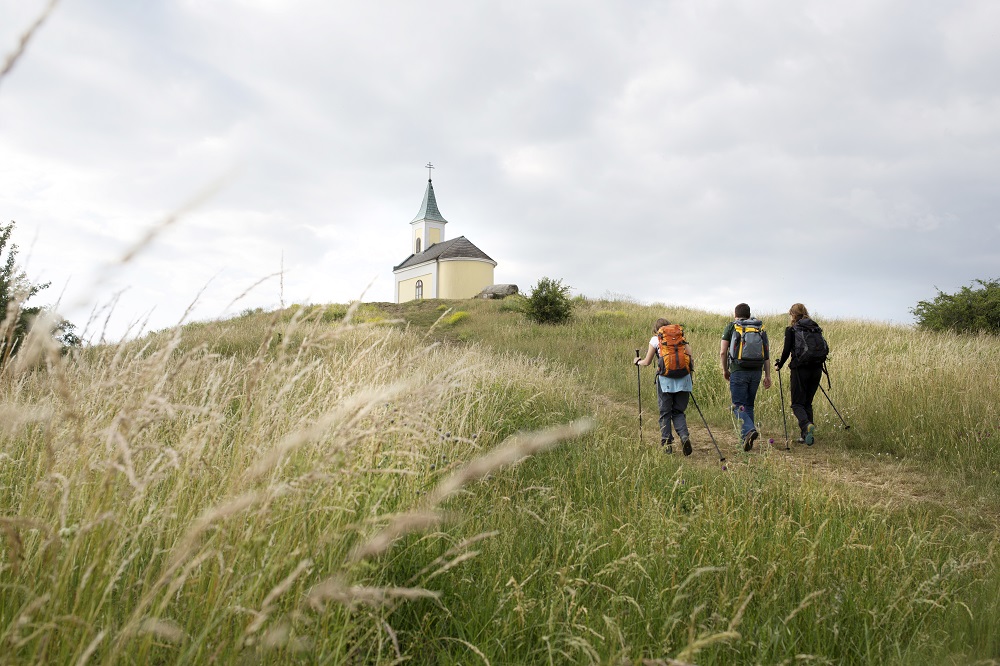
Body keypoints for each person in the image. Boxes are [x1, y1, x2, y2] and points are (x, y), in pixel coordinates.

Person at [635, 318, 694, 455]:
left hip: (665, 381)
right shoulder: (680, 338)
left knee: (665, 413)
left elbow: (647, 362)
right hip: (684, 380)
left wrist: (638, 362)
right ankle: (684, 436)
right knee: (678, 412)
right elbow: (690, 357)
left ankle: (667, 444)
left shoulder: (656, 340)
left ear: (657, 330)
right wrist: (689, 378)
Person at [720, 303, 772, 451]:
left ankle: (749, 430)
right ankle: (747, 440)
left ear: (735, 314)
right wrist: (767, 375)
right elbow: (766, 355)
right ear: (749, 314)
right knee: (749, 405)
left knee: (737, 405)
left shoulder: (732, 327)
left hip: (738, 370)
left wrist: (725, 370)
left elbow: (723, 352)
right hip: (756, 371)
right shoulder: (759, 328)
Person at [775, 303, 824, 445]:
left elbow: (786, 350)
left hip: (800, 369)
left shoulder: (792, 330)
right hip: (817, 369)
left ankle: (806, 425)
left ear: (792, 314)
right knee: (807, 403)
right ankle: (807, 436)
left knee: (797, 403)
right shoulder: (815, 328)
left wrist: (780, 364)